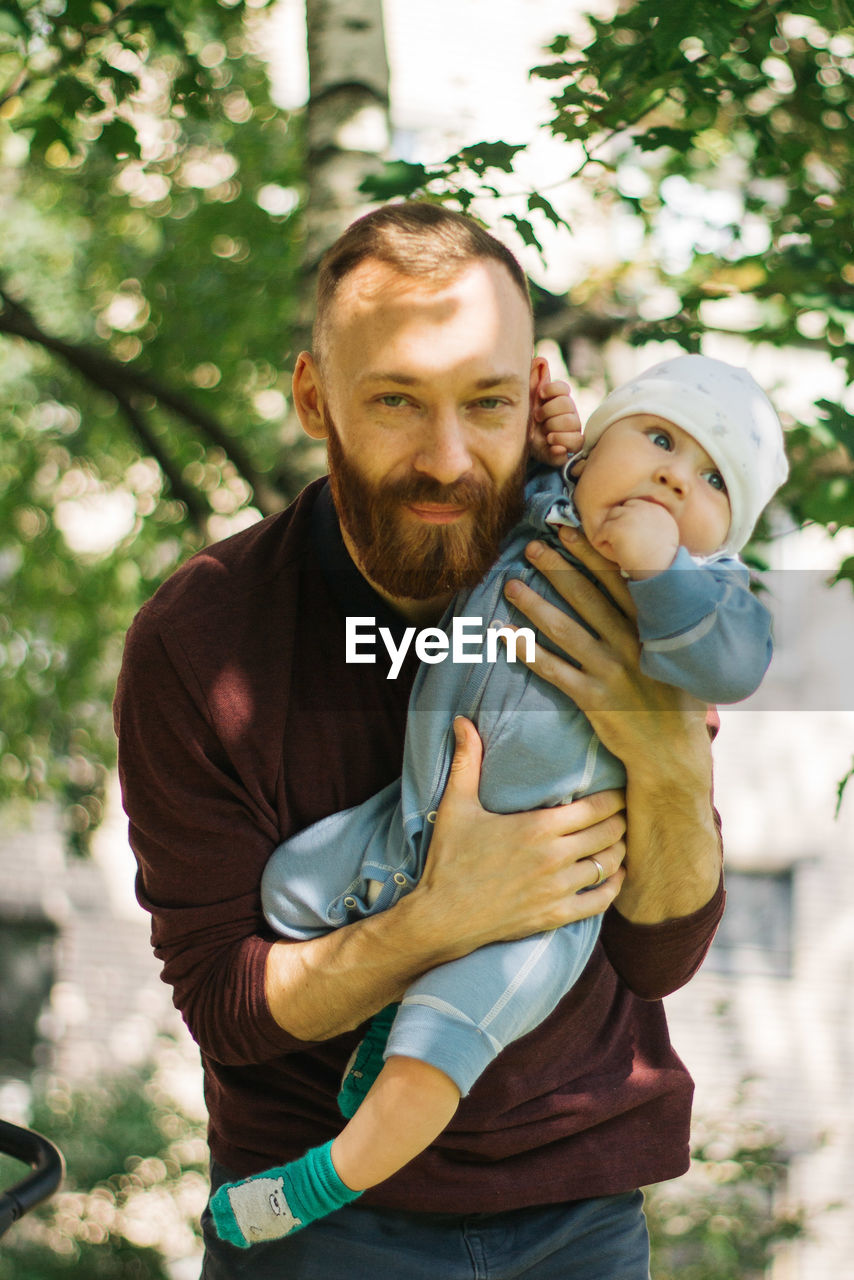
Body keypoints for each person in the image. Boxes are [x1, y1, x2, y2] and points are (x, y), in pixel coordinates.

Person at [114, 201, 730, 1280]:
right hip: (315, 1223)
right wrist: (439, 916)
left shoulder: (598, 577)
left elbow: (656, 951)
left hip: (581, 1210)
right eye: (397, 400)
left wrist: (669, 754)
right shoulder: (200, 639)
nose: (447, 458)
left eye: (484, 403)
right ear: (315, 395)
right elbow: (225, 1002)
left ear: (528, 394)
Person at [209, 353, 788, 1250]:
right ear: (591, 456)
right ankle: (378, 1029)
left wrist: (662, 572)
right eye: (661, 437)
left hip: (545, 910)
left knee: (433, 1062)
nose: (676, 473)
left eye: (714, 479)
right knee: (288, 890)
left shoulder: (706, 597)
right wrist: (545, 428)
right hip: (413, 821)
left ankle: (313, 1185)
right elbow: (501, 461)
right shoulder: (544, 511)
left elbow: (735, 661)